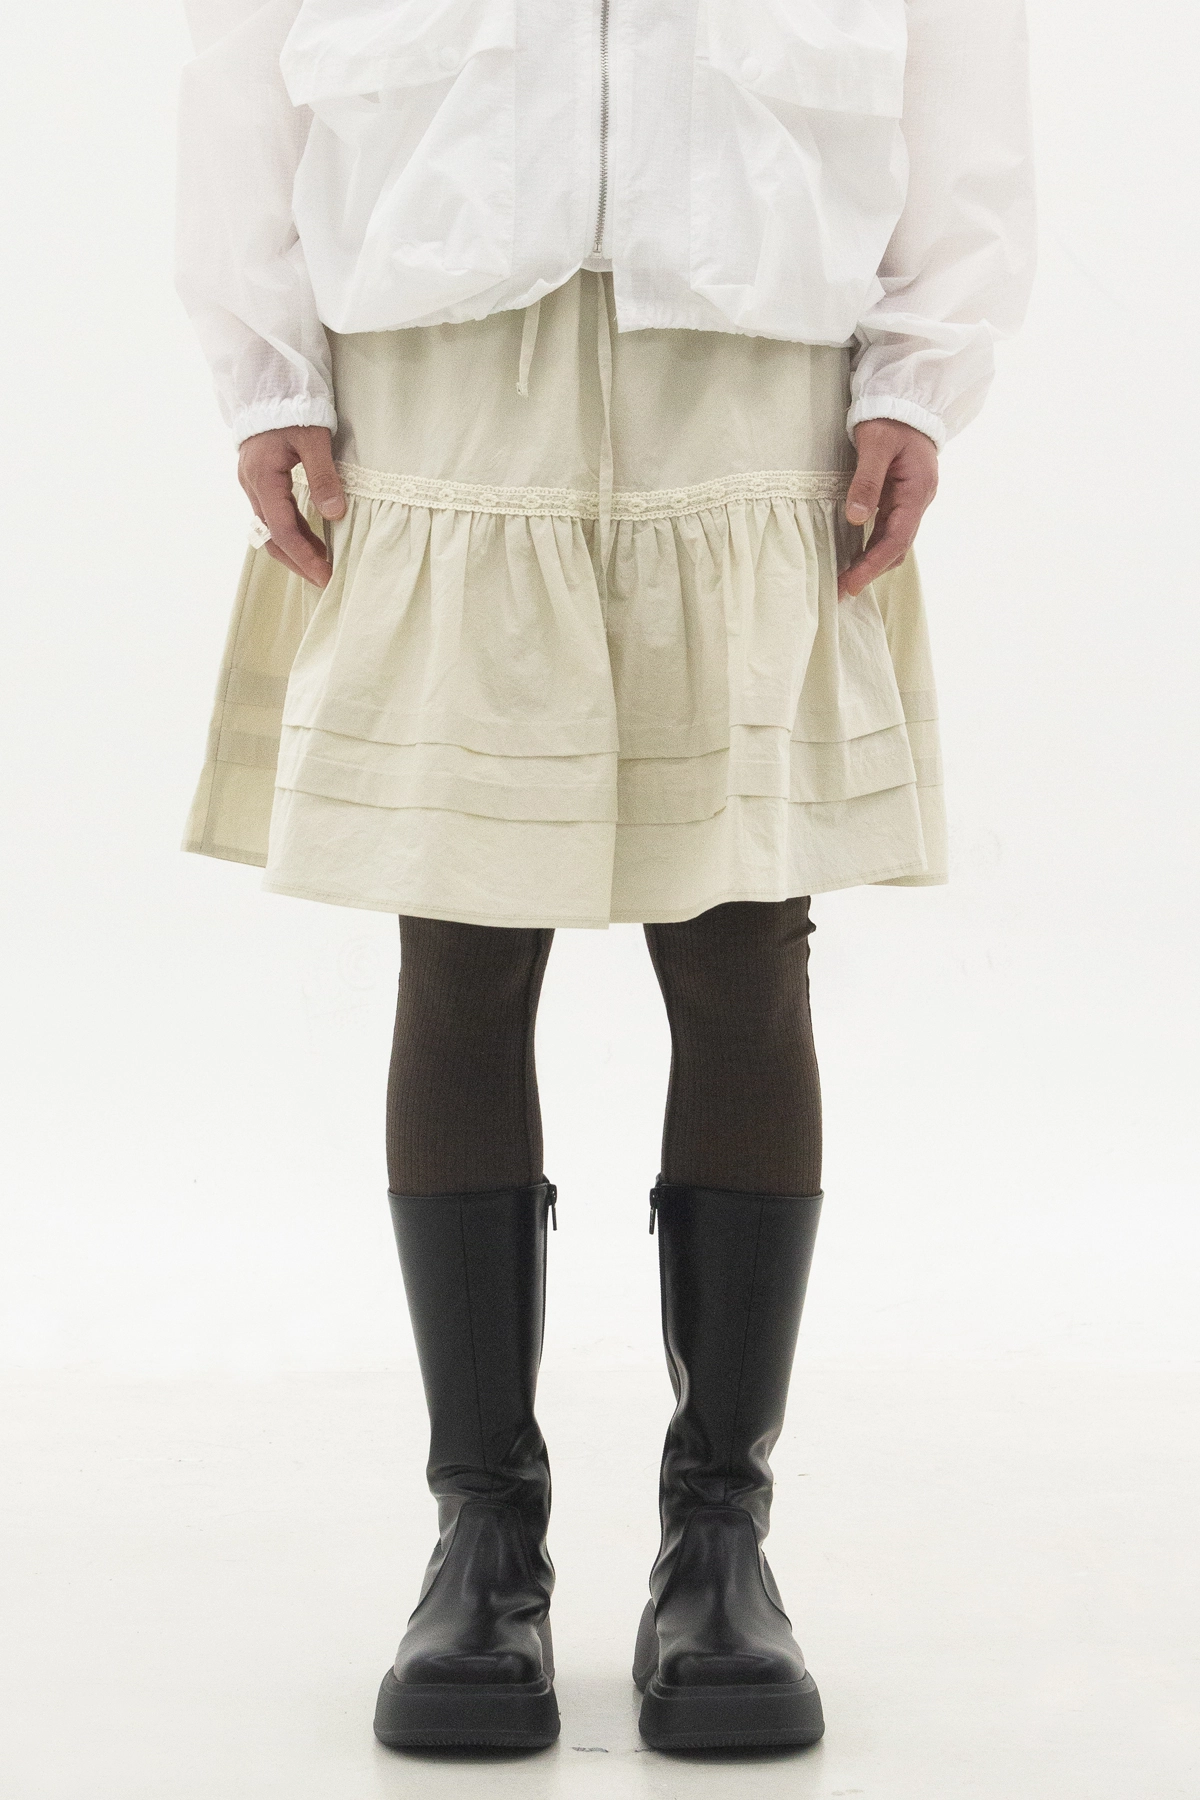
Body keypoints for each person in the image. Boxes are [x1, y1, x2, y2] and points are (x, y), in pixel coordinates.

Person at [176, 0, 1034, 1755]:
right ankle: (482, 1536)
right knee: (459, 930)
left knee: (742, 940)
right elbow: (236, 43)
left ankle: (721, 1540)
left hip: (752, 346)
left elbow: (963, 41)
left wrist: (920, 366)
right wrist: (266, 368)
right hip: (435, 343)